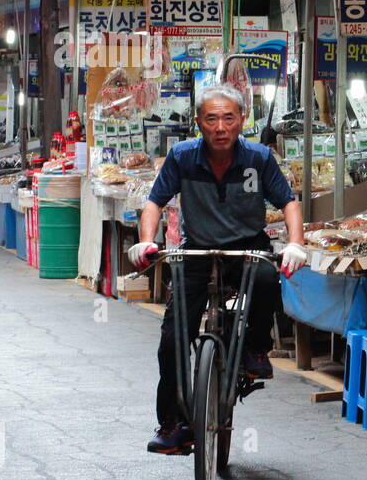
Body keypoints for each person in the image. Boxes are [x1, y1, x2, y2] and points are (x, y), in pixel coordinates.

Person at [129, 85, 307, 454]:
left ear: (242, 120)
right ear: (199, 122)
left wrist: (295, 243)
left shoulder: (259, 158)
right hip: (198, 250)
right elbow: (154, 203)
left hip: (247, 248)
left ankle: (256, 349)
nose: (221, 126)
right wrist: (147, 240)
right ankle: (175, 423)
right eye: (212, 118)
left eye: (229, 118)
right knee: (173, 337)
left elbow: (289, 202)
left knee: (265, 277)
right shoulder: (181, 157)